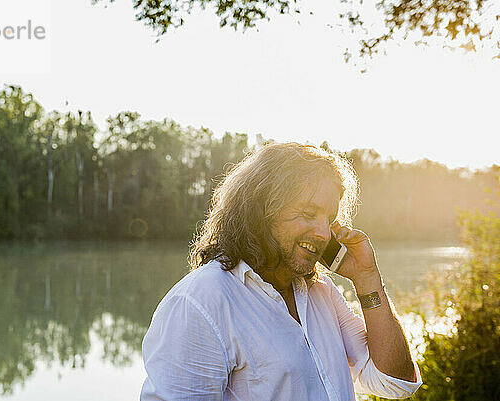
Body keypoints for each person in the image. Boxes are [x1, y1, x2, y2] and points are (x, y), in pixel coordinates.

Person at [140, 142, 422, 400]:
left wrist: (366, 277)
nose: (324, 233)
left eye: (330, 219)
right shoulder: (200, 303)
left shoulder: (322, 293)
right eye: (308, 214)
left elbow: (396, 382)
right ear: (261, 210)